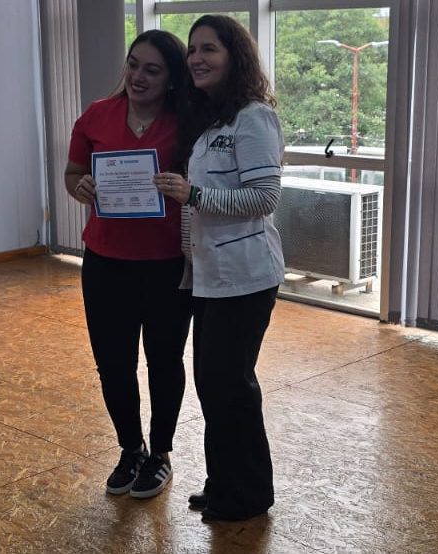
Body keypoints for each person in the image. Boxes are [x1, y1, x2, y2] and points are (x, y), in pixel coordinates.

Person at [154, 15, 284, 522]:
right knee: (213, 385)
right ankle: (223, 482)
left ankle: (247, 496)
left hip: (246, 276)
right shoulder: (209, 119)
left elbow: (264, 197)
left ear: (235, 57)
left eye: (209, 49)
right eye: (192, 50)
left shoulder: (254, 117)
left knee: (231, 385)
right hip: (208, 275)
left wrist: (195, 195)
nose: (196, 58)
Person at [64, 30, 192, 499]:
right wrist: (80, 188)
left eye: (152, 70)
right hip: (106, 262)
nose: (138, 76)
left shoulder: (186, 121)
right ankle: (130, 447)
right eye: (133, 64)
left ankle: (160, 454)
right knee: (113, 364)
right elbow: (74, 173)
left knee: (164, 361)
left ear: (171, 78)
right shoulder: (97, 115)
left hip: (167, 264)